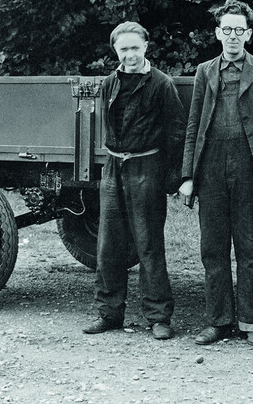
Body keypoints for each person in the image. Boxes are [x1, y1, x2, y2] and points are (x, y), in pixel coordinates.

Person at [179, 0, 253, 347]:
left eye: (240, 30)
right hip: (210, 171)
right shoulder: (205, 71)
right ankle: (218, 321)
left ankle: (252, 322)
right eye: (227, 30)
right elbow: (194, 125)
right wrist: (188, 176)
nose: (233, 36)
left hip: (251, 171)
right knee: (213, 249)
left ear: (249, 34)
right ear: (218, 33)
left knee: (250, 248)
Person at [83, 21, 184, 340]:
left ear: (146, 48)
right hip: (114, 169)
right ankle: (109, 313)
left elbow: (177, 132)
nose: (130, 55)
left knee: (149, 245)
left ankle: (158, 317)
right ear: (115, 50)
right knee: (108, 245)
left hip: (147, 169)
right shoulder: (109, 84)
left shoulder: (161, 84)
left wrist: (170, 177)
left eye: (135, 48)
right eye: (123, 49)